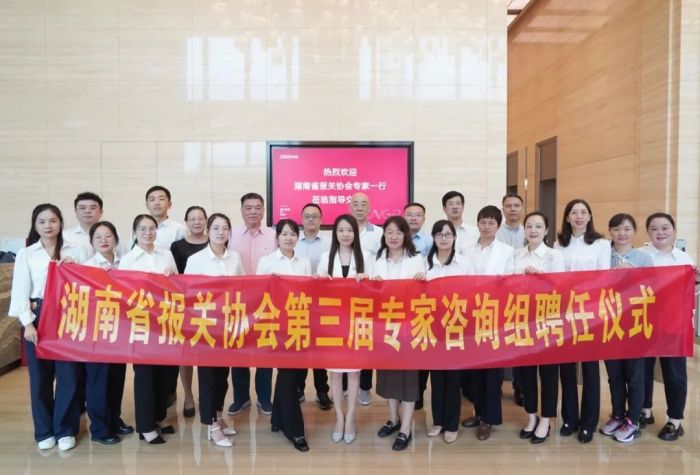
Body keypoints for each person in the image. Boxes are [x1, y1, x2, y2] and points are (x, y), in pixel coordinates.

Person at [9, 204, 87, 451]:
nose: (48, 226)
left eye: (53, 221)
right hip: (39, 313)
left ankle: (65, 429)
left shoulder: (75, 250)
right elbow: (20, 290)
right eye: (42, 222)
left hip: (69, 314)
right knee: (40, 378)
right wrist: (28, 324)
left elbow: (89, 283)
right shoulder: (27, 254)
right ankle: (44, 431)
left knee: (69, 376)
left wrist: (75, 267)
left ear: (60, 223)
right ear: (35, 225)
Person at [554, 198, 611, 443]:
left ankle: (588, 423)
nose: (579, 216)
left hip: (590, 313)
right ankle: (569, 419)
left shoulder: (601, 244)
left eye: (583, 212)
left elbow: (603, 278)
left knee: (590, 370)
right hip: (564, 313)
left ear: (589, 217)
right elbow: (556, 278)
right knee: (566, 369)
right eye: (574, 212)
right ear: (567, 217)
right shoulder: (559, 244)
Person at [184, 213, 242, 447]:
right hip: (205, 326)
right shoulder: (196, 259)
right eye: (216, 228)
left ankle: (218, 415)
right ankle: (211, 425)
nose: (220, 232)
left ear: (229, 232)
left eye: (225, 228)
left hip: (227, 326)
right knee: (207, 376)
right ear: (208, 231)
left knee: (222, 376)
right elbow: (187, 292)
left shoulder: (234, 257)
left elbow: (243, 286)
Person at [119, 214, 178, 444]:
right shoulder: (128, 259)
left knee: (165, 374)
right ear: (134, 232)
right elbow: (122, 292)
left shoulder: (166, 254)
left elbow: (177, 285)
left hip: (165, 322)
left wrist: (172, 278)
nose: (148, 232)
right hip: (141, 324)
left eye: (152, 228)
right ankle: (145, 426)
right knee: (145, 375)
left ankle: (159, 418)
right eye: (142, 229)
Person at [639, 212, 697, 441]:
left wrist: (697, 280)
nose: (660, 233)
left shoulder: (684, 259)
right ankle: (644, 411)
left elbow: (691, 292)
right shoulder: (640, 256)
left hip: (674, 325)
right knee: (641, 371)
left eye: (665, 228)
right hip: (644, 324)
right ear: (648, 232)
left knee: (674, 374)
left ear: (674, 230)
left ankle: (675, 420)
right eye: (654, 229)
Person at [316, 214, 372, 444]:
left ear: (355, 233)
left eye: (349, 230)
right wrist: (319, 279)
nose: (345, 234)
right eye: (341, 230)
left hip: (358, 322)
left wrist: (367, 280)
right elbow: (316, 290)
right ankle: (339, 417)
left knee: (354, 372)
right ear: (335, 233)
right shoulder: (325, 257)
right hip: (333, 324)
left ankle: (351, 417)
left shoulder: (366, 256)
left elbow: (378, 288)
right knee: (336, 373)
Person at [460, 205, 514, 441]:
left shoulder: (506, 251)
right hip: (469, 316)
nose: (486, 226)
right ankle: (477, 412)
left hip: (494, 316)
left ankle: (488, 419)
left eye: (491, 222)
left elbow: (511, 282)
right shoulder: (466, 248)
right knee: (472, 370)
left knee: (491, 372)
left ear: (498, 226)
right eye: (483, 222)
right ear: (478, 223)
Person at [372, 216, 426, 451]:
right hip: (384, 327)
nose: (393, 237)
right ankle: (393, 419)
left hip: (408, 327)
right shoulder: (377, 260)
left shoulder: (416, 259)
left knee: (408, 379)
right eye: (389, 232)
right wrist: (369, 282)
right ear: (384, 235)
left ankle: (405, 427)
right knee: (388, 376)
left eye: (398, 232)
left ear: (406, 235)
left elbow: (425, 294)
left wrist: (423, 280)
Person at [598, 213, 653, 443]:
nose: (622, 233)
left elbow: (653, 289)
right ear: (610, 231)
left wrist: (632, 277)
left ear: (634, 232)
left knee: (635, 375)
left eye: (627, 229)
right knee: (614, 375)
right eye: (617, 229)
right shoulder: (603, 255)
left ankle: (633, 419)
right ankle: (618, 414)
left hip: (635, 324)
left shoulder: (643, 257)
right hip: (609, 324)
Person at [257, 219, 312, 452]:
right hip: (276, 327)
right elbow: (258, 294)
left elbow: (309, 293)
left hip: (299, 325)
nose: (289, 238)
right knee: (288, 377)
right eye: (284, 234)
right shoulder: (266, 262)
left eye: (293, 234)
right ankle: (295, 431)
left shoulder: (304, 262)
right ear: (277, 237)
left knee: (292, 376)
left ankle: (277, 419)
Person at [513, 212, 564, 444]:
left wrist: (542, 278)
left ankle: (546, 419)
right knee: (526, 373)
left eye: (538, 226)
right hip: (522, 321)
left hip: (548, 320)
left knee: (549, 373)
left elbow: (563, 287)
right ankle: (531, 416)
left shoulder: (555, 256)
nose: (533, 230)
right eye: (529, 226)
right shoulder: (516, 255)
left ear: (546, 230)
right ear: (524, 230)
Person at [227, 193, 276, 416]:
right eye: (248, 208)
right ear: (242, 210)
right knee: (238, 351)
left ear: (263, 210)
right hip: (238, 302)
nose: (253, 212)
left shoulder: (274, 235)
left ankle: (264, 399)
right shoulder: (231, 235)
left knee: (265, 350)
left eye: (257, 207)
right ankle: (241, 398)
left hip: (266, 301)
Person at [82, 221, 131, 445]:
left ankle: (114, 419)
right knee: (97, 380)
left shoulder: (125, 263)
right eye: (98, 237)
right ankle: (100, 428)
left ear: (116, 239)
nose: (104, 240)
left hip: (120, 329)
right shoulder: (87, 267)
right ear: (91, 242)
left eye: (108, 236)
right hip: (96, 332)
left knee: (116, 378)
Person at [425, 220, 469, 444]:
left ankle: (452, 424)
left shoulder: (464, 263)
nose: (444, 238)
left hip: (456, 326)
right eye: (439, 235)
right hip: (431, 327)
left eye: (448, 234)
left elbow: (474, 291)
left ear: (454, 237)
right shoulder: (424, 263)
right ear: (433, 238)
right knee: (437, 378)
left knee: (453, 378)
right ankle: (438, 421)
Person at [170, 206, 209, 418]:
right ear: (186, 222)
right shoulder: (177, 246)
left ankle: (206, 396)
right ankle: (188, 396)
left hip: (210, 308)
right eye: (192, 219)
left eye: (200, 218)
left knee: (206, 354)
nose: (197, 222)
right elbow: (174, 276)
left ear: (206, 221)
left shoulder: (215, 242)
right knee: (184, 354)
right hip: (185, 306)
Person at [293, 203, 332, 411]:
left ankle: (322, 391)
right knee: (299, 345)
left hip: (323, 302)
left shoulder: (329, 243)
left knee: (320, 348)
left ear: (321, 219)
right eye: (307, 216)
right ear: (301, 219)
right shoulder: (292, 240)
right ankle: (298, 388)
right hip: (297, 302)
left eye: (314, 216)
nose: (310, 219)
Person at [349, 192, 383, 405]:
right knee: (347, 341)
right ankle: (346, 385)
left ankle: (364, 387)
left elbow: (383, 260)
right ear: (350, 208)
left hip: (369, 297)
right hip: (345, 297)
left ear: (370, 209)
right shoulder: (343, 230)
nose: (359, 207)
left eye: (364, 204)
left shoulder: (379, 233)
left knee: (366, 340)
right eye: (356, 204)